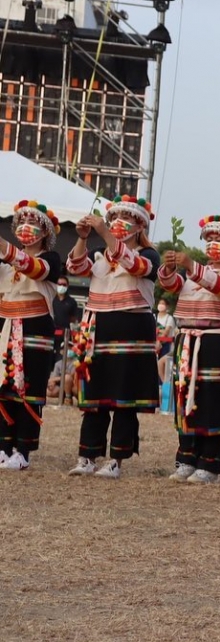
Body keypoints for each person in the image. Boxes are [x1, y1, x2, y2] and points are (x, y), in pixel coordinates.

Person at [66, 195, 160, 479]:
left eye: (126, 219)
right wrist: (82, 238)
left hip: (131, 330)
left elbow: (134, 265)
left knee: (123, 398)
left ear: (140, 225)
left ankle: (116, 459)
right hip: (98, 330)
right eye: (114, 218)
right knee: (94, 397)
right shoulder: (98, 253)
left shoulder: (149, 255)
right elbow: (74, 268)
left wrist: (105, 233)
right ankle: (87, 456)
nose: (119, 224)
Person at [158, 215, 220, 485]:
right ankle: (186, 458)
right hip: (187, 341)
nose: (213, 244)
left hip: (218, 342)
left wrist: (191, 265)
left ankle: (210, 463)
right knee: (185, 400)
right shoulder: (194, 275)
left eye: (219, 240)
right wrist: (168, 268)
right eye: (209, 239)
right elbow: (171, 285)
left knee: (214, 403)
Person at [0, 200, 62, 470]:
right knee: (3, 388)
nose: (26, 228)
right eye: (22, 223)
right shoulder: (6, 261)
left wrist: (4, 248)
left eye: (34, 224)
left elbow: (32, 267)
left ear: (46, 231)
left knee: (29, 389)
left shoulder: (51, 259)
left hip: (35, 330)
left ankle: (23, 450)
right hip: (5, 328)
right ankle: (3, 447)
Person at [52, 275, 78, 363]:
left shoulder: (72, 302)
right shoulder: (51, 299)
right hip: (51, 333)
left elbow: (73, 319)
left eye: (64, 284)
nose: (61, 286)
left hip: (64, 335)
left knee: (60, 360)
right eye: (59, 284)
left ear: (67, 286)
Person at [156, 299, 177, 383]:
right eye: (159, 303)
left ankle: (164, 384)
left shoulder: (169, 318)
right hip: (155, 345)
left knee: (164, 364)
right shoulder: (155, 316)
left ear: (167, 306)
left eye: (163, 303)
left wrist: (158, 332)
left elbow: (166, 332)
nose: (161, 305)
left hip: (166, 344)